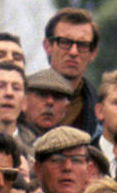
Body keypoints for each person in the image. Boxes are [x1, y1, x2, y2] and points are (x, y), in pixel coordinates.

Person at [41, 7, 100, 135]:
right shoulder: (24, 98)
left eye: (82, 45)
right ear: (47, 46)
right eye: (65, 42)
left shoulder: (100, 111)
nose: (73, 52)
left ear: (93, 53)